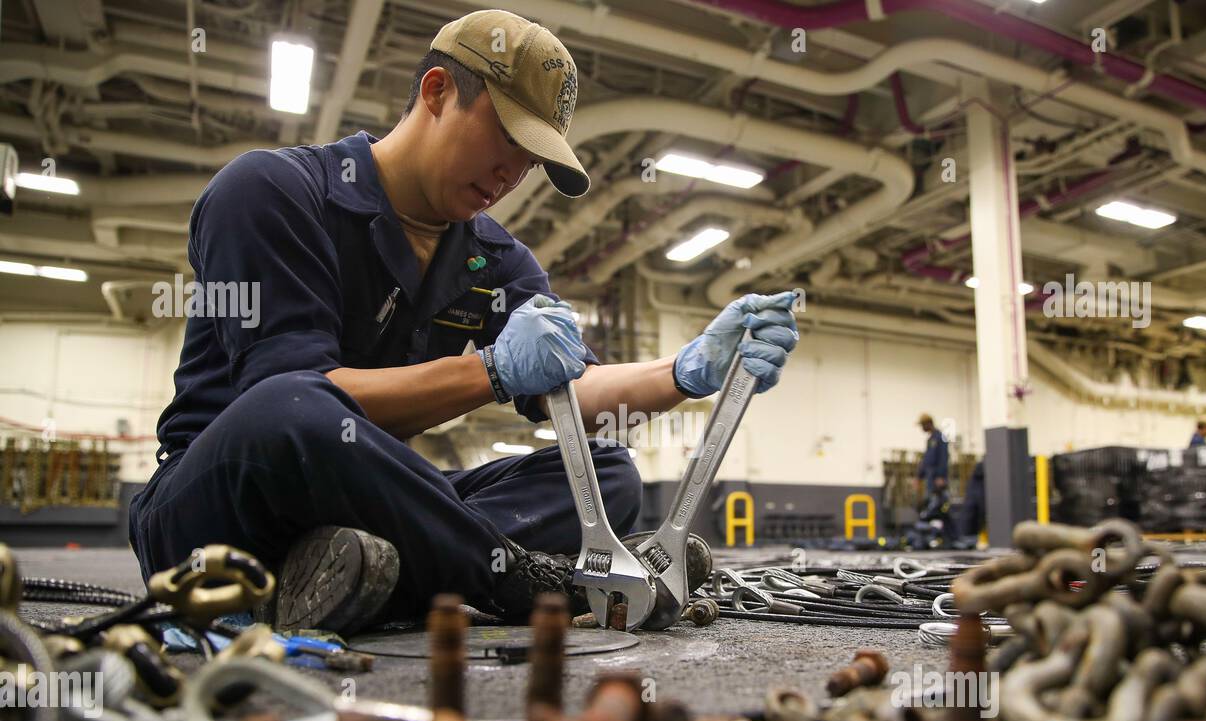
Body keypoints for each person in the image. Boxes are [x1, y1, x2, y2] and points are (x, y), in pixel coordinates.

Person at [127, 10, 799, 634]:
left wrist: (687, 371)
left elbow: (578, 399)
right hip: (218, 512)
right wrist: (490, 371)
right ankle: (514, 584)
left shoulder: (494, 259)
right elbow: (292, 407)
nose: (512, 174)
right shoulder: (272, 191)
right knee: (293, 402)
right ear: (438, 90)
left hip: (365, 514)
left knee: (606, 472)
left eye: (531, 160)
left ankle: (367, 577)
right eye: (505, 138)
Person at [916, 413, 949, 493]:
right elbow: (927, 459)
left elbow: (944, 457)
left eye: (923, 425)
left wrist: (941, 476)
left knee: (938, 501)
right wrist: (919, 476)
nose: (922, 428)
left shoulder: (941, 437)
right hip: (930, 477)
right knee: (930, 500)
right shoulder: (930, 440)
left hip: (937, 478)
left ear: (929, 423)